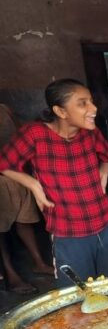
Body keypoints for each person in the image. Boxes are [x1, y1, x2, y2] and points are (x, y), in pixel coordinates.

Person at [0, 79, 108, 288]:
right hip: (69, 233)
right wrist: (33, 184)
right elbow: (4, 163)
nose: (93, 108)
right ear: (60, 111)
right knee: (79, 297)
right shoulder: (35, 134)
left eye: (91, 101)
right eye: (83, 103)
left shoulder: (90, 133)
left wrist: (104, 172)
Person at [0, 104, 54, 294]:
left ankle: (39, 263)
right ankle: (11, 274)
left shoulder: (4, 109)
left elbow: (20, 132)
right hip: (3, 177)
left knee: (25, 221)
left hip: (18, 176)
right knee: (1, 230)